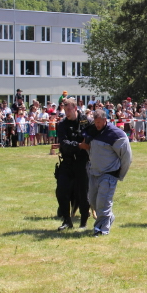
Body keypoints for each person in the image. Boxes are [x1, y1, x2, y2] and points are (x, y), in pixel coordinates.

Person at [87, 110, 132, 236]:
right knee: (93, 201)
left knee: (103, 202)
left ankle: (101, 229)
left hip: (109, 173)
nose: (97, 125)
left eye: (99, 123)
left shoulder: (116, 134)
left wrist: (120, 174)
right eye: (95, 123)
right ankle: (109, 218)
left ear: (105, 120)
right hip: (94, 172)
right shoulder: (92, 131)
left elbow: (126, 157)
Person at [55, 98, 92, 231]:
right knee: (61, 191)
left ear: (75, 108)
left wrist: (83, 144)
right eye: (65, 109)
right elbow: (64, 144)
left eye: (69, 109)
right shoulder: (62, 124)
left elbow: (90, 138)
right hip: (68, 161)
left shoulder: (86, 121)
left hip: (82, 162)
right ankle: (67, 221)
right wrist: (79, 145)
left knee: (83, 192)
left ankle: (83, 222)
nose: (66, 112)